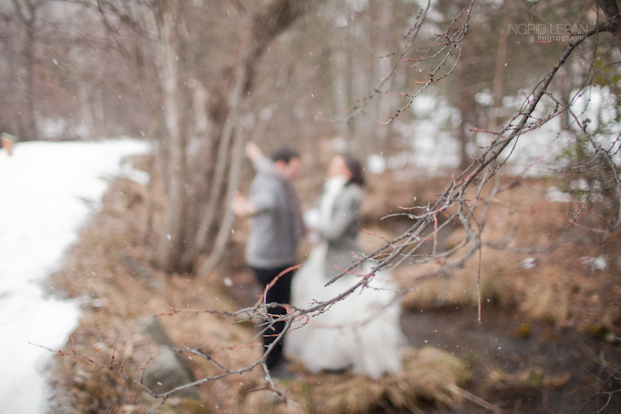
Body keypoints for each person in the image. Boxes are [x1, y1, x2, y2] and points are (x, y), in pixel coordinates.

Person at [285, 154, 406, 380]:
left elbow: (334, 230)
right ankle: (330, 358)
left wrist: (315, 230)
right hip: (323, 258)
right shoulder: (329, 190)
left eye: (336, 164)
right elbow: (315, 215)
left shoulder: (351, 194)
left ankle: (343, 359)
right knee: (321, 308)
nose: (330, 167)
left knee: (342, 311)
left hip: (344, 261)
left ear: (348, 172)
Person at [232, 142, 304, 378]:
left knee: (277, 311)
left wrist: (255, 154)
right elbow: (265, 202)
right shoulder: (271, 184)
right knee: (276, 314)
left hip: (274, 257)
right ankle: (272, 366)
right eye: (294, 167)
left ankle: (276, 357)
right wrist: (246, 208)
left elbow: (262, 163)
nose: (297, 173)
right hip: (271, 261)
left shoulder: (272, 174)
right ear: (280, 165)